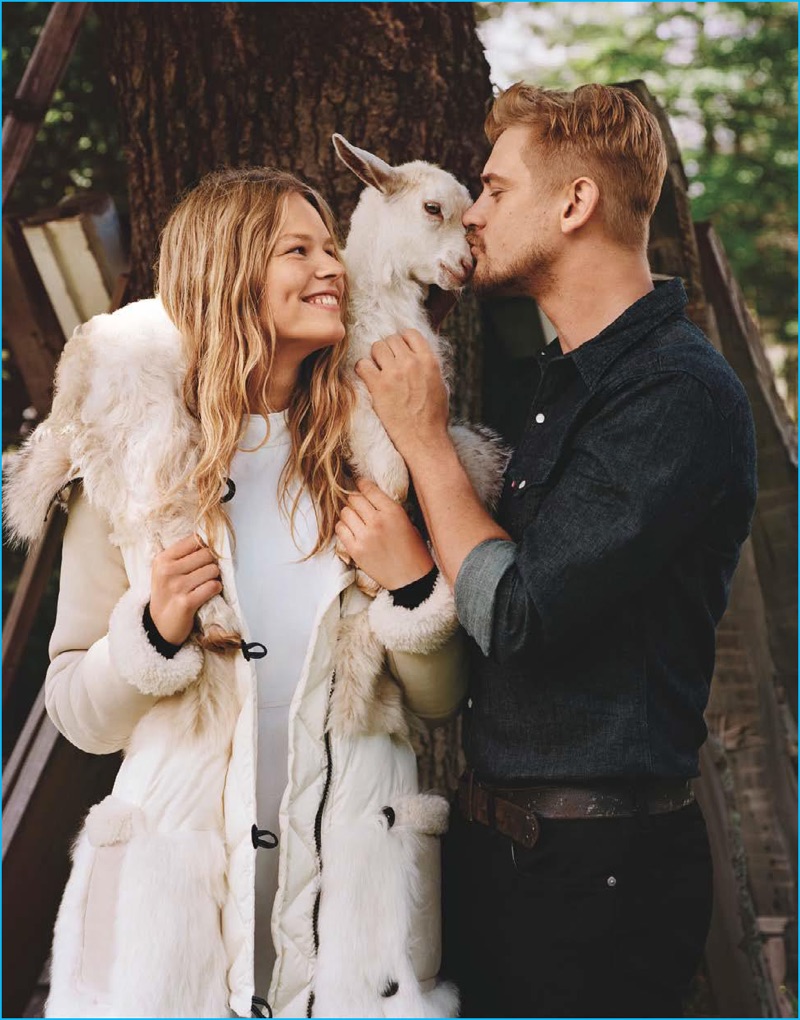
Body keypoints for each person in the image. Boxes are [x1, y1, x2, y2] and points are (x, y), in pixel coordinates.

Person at [5, 167, 466, 1018]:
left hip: (352, 932)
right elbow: (73, 707)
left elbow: (441, 702)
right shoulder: (136, 464)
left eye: (332, 246)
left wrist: (410, 585)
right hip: (165, 939)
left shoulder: (376, 459)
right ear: (227, 271)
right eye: (299, 249)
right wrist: (155, 626)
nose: (332, 265)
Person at [346, 83, 757, 1017]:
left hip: (597, 879)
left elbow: (518, 614)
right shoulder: (563, 383)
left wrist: (422, 441)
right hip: (505, 857)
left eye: (493, 190)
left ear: (573, 205)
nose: (476, 215)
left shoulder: (675, 396)